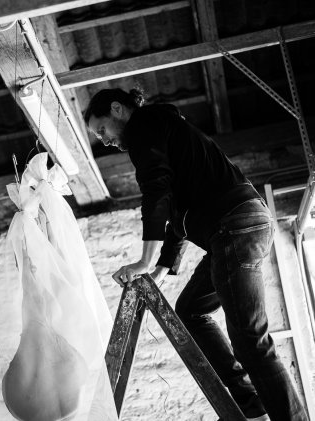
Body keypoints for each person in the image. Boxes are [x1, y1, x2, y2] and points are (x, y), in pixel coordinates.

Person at [83, 88, 308, 421]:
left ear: (117, 109)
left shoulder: (144, 126)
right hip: (235, 229)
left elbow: (156, 192)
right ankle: (251, 405)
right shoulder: (164, 130)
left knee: (249, 339)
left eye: (102, 130)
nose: (104, 141)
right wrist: (161, 267)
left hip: (233, 227)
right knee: (191, 310)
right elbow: (178, 215)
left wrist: (144, 260)